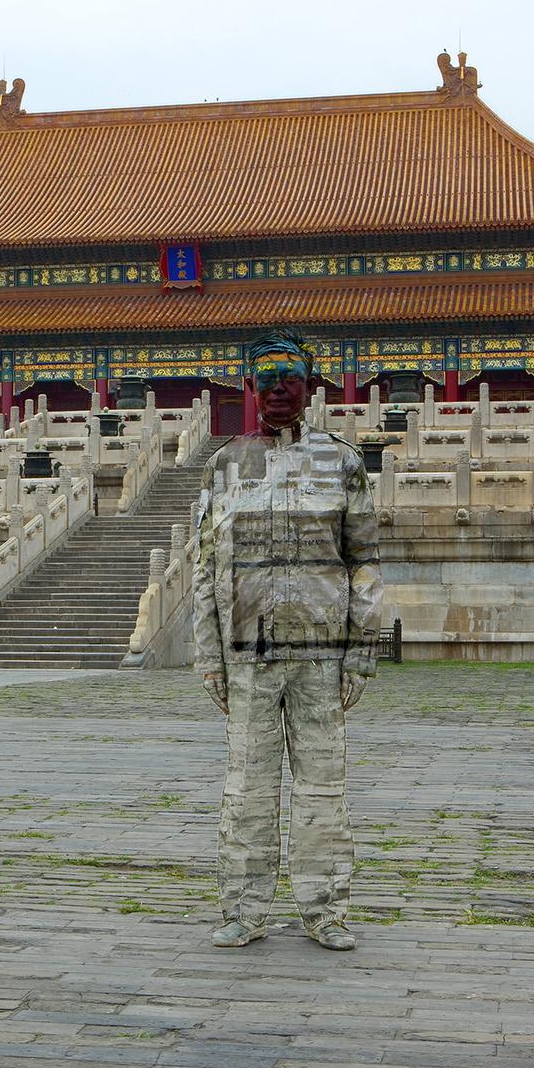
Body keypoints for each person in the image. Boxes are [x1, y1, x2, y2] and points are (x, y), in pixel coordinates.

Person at [191, 328, 383, 950]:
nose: (279, 390)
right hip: (247, 653)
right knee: (246, 787)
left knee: (323, 787)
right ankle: (243, 909)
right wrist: (209, 655)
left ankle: (325, 909)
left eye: (290, 380)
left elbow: (364, 561)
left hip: (322, 656)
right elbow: (204, 565)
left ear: (310, 386)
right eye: (267, 380)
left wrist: (361, 651)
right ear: (251, 387)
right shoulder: (225, 463)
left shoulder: (343, 462)